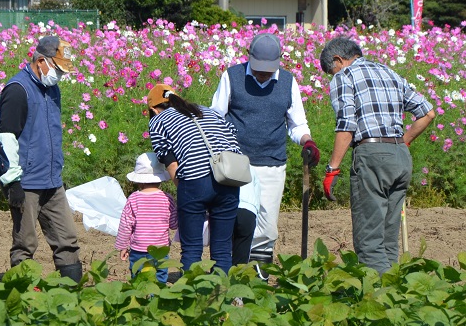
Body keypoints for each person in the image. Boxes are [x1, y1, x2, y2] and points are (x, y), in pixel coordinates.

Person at [319, 37, 435, 275]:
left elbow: (347, 125)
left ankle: (377, 303)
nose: (333, 76)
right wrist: (405, 141)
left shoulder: (345, 76)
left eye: (331, 71)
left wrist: (333, 168)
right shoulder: (389, 73)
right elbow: (428, 113)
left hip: (372, 155)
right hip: (400, 157)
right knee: (388, 239)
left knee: (369, 240)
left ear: (338, 60)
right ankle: (396, 298)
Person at [211, 32, 320, 278]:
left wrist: (307, 141)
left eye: (268, 70)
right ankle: (230, 273)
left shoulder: (288, 82)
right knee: (237, 220)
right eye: (259, 69)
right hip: (235, 164)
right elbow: (216, 118)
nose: (262, 74)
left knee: (267, 226)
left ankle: (259, 277)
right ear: (249, 58)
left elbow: (297, 124)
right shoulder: (232, 76)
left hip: (272, 164)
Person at [0, 35, 83, 282]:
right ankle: (22, 299)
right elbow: (6, 138)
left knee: (67, 239)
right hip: (26, 181)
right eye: (57, 69)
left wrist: (56, 171)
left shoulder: (51, 88)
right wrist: (12, 181)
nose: (59, 76)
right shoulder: (17, 89)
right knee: (25, 243)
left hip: (52, 181)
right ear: (41, 61)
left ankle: (70, 297)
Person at [148, 83, 241, 273]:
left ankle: (192, 298)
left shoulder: (159, 120)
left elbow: (169, 159)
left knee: (191, 249)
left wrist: (184, 191)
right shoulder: (207, 111)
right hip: (229, 179)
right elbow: (232, 135)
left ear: (153, 109)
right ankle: (223, 296)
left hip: (194, 180)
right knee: (223, 250)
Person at [114, 152, 178, 283]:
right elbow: (173, 224)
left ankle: (139, 299)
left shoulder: (133, 198)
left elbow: (126, 225)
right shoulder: (166, 199)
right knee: (159, 277)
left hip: (138, 248)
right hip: (160, 249)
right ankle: (156, 299)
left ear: (139, 180)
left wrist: (123, 246)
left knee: (138, 278)